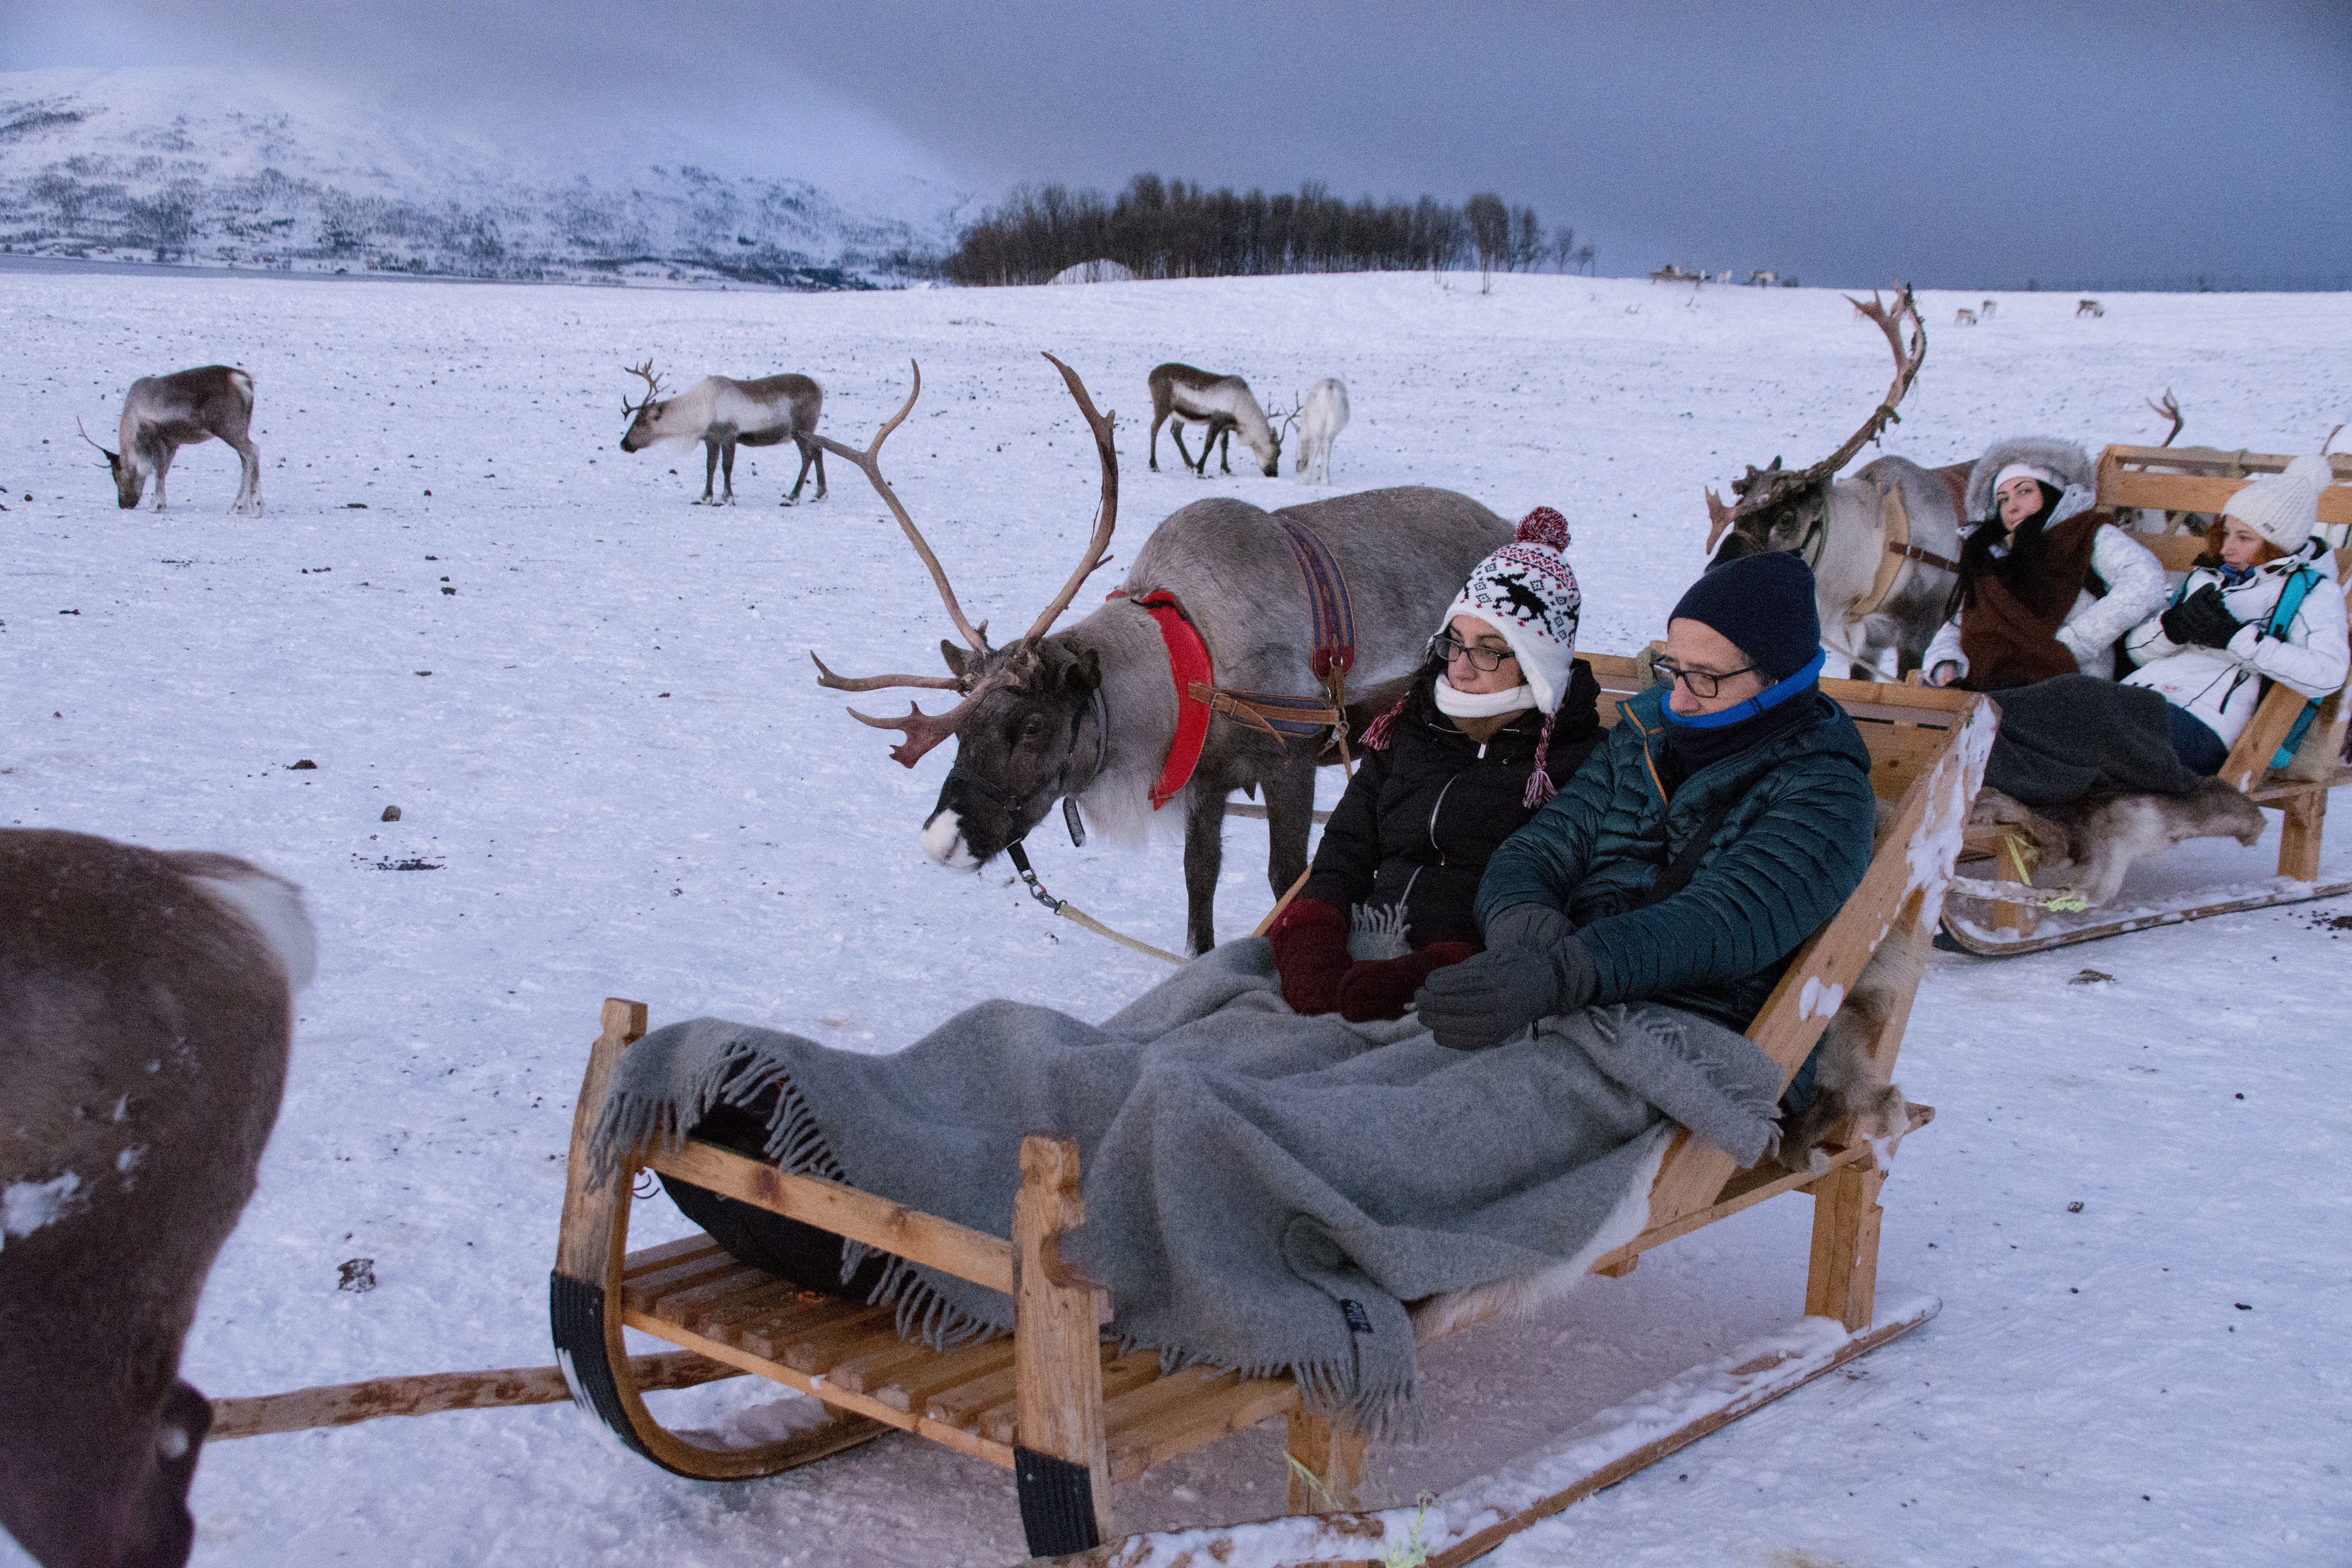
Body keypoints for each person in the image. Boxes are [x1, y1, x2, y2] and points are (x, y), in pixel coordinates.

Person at [1416, 549, 1878, 1050]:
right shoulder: (1641, 737)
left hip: (1689, 1032)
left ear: (1781, 682)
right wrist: (1529, 946)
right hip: (1564, 998)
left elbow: (1724, 922)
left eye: (1705, 678)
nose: (1678, 700)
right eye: (1673, 670)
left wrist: (1561, 974)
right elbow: (1536, 851)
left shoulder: (1828, 794)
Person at [1267, 507, 1602, 1021]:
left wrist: (1436, 968)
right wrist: (1312, 931)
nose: (1462, 668)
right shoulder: (1414, 725)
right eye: (1454, 644)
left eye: (1490, 651)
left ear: (1539, 667)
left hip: (1471, 978)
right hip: (1358, 940)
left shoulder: (1574, 762)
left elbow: (1548, 899)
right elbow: (1348, 844)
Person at [2118, 454, 2348, 775]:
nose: (2226, 549)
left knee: (2088, 729)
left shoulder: (2313, 593)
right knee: (2058, 707)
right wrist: (2174, 627)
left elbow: (2328, 674)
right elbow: (2136, 653)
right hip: (2137, 697)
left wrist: (2236, 639)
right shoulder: (2208, 577)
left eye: (2244, 538)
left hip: (2206, 723)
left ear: (2278, 545)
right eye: (2227, 534)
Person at [1924, 437, 2167, 691]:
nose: (2012, 507)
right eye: (2003, 499)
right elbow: (1962, 620)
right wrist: (1946, 662)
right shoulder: (1989, 553)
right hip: (1989, 685)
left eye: (2025, 491)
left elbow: (2144, 580)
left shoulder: (2085, 534)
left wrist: (2070, 646)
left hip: (2070, 684)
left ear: (2053, 493)